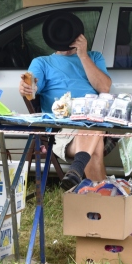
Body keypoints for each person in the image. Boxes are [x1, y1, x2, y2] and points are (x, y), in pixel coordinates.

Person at [18, 12, 112, 189]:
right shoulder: (42, 62)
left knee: (93, 121)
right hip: (61, 127)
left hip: (93, 119)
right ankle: (103, 202)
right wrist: (26, 87)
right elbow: (32, 84)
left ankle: (80, 174)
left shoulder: (94, 57)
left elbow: (104, 88)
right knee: (95, 144)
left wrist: (83, 55)